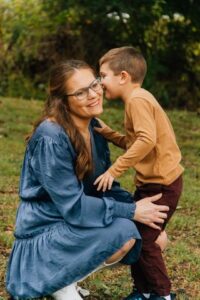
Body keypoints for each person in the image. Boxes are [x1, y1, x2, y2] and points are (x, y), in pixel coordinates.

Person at [6, 60, 169, 300]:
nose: (93, 95)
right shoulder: (51, 136)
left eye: (95, 85)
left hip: (75, 226)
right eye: (81, 92)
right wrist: (131, 211)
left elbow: (103, 186)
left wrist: (143, 209)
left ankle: (67, 277)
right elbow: (74, 207)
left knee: (154, 236)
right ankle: (58, 281)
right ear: (63, 101)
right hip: (45, 234)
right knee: (125, 232)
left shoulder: (94, 128)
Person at [94, 47, 184, 300]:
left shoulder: (137, 100)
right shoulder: (138, 99)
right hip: (152, 184)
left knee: (145, 242)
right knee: (138, 238)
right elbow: (138, 142)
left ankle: (162, 294)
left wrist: (114, 170)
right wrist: (109, 134)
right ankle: (143, 292)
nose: (100, 83)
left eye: (103, 76)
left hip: (162, 186)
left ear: (123, 76)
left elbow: (146, 140)